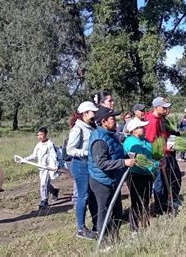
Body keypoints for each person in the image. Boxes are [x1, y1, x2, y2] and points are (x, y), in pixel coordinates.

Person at [89, 107, 136, 242]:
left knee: (116, 211)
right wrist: (124, 162)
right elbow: (102, 164)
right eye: (112, 119)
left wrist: (127, 156)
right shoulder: (99, 140)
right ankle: (103, 242)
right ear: (103, 121)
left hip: (113, 179)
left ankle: (115, 238)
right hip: (102, 181)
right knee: (104, 213)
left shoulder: (110, 134)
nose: (115, 121)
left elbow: (116, 152)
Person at [66, 101, 99, 240]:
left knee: (92, 196)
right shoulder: (77, 129)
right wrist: (87, 152)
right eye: (93, 112)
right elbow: (70, 150)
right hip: (80, 165)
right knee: (83, 196)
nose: (95, 114)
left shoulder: (90, 127)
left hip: (90, 165)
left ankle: (97, 224)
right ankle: (80, 228)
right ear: (85, 113)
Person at [144, 97, 182, 214]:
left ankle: (167, 202)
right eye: (164, 107)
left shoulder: (161, 119)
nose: (167, 110)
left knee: (173, 178)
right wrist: (165, 148)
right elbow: (151, 142)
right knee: (160, 182)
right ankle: (159, 208)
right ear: (156, 108)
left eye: (167, 107)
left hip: (167, 153)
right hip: (159, 156)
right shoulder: (152, 121)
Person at [123, 118, 159, 231]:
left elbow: (151, 155)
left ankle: (144, 222)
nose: (144, 129)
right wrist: (155, 165)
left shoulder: (145, 140)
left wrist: (158, 158)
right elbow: (141, 161)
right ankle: (134, 228)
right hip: (136, 175)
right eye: (141, 127)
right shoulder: (131, 142)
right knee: (137, 201)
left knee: (146, 199)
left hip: (148, 175)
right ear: (134, 130)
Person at [23, 127, 59, 208]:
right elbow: (34, 155)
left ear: (45, 134)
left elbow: (54, 155)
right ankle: (54, 191)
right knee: (45, 183)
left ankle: (44, 201)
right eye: (38, 135)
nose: (39, 136)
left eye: (41, 135)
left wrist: (56, 165)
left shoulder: (50, 144)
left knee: (43, 183)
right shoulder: (38, 145)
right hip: (41, 167)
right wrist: (25, 159)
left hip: (48, 167)